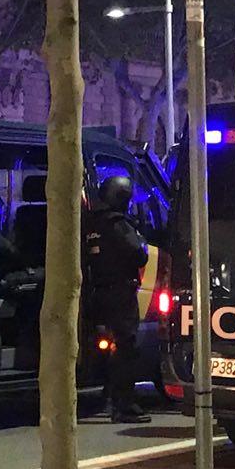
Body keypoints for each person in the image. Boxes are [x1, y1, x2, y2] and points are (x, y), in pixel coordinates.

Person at [86, 174, 151, 423]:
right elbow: (139, 254)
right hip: (121, 293)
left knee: (105, 346)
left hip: (97, 293)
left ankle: (107, 395)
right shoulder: (118, 224)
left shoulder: (93, 224)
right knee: (126, 347)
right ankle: (124, 404)